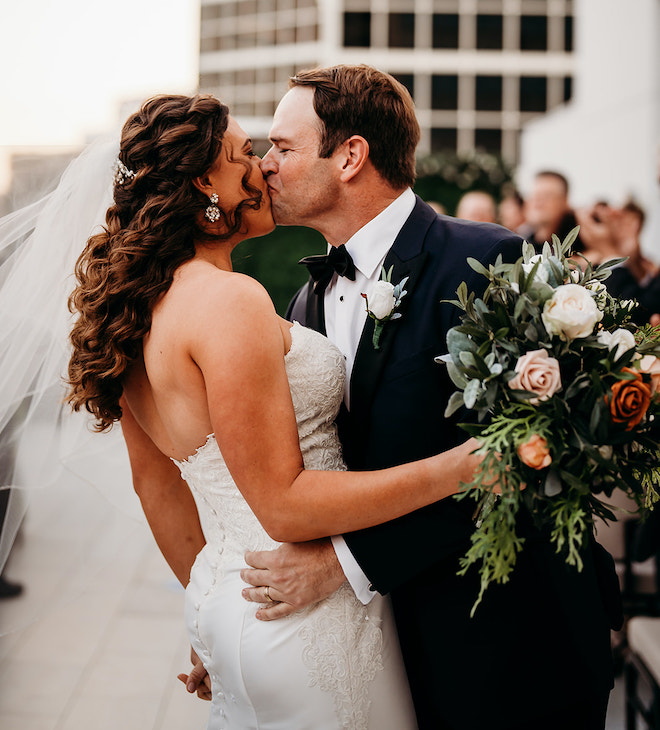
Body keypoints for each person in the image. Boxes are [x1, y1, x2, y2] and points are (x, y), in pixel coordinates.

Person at [64, 92, 490, 730]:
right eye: (244, 155)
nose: (262, 168)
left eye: (272, 150)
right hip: (301, 610)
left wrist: (210, 611)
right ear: (204, 183)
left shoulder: (136, 307)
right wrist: (462, 467)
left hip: (229, 594)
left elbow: (156, 484)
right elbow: (284, 504)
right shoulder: (230, 301)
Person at [236, 65, 623, 730]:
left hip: (520, 652)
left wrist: (349, 565)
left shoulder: (488, 258)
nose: (264, 166)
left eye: (284, 147)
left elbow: (533, 454)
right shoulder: (306, 302)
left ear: (351, 155)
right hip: (398, 658)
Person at [522, 170, 583, 251]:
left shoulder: (584, 238)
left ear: (564, 201)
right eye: (534, 196)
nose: (537, 203)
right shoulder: (523, 241)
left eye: (547, 196)